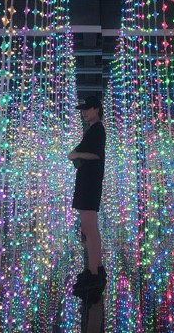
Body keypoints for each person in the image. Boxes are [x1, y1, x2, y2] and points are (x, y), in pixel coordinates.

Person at [68, 96, 107, 301]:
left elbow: (96, 155)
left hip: (90, 184)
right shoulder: (93, 130)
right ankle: (95, 268)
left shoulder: (97, 130)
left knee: (90, 228)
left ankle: (94, 272)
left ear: (96, 109)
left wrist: (76, 155)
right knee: (89, 227)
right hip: (87, 183)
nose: (83, 113)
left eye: (86, 109)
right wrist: (76, 155)